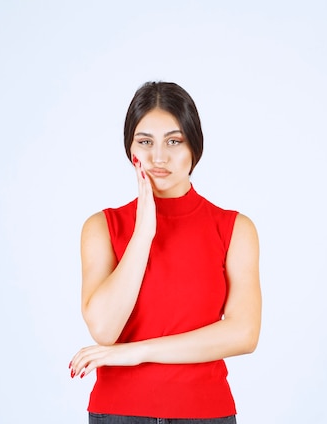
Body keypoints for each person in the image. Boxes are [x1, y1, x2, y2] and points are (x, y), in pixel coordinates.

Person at [69, 81, 262, 424]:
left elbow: (243, 334)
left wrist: (135, 353)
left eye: (174, 141)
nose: (158, 157)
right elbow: (104, 330)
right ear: (131, 149)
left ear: (194, 148)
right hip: (119, 414)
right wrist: (143, 232)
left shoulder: (234, 229)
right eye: (145, 142)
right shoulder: (103, 227)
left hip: (206, 413)